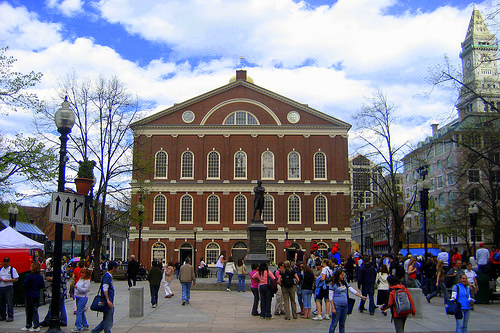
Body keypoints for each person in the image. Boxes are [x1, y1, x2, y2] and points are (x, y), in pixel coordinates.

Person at [329, 269, 366, 333]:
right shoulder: (333, 285)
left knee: (342, 324)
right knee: (334, 324)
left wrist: (361, 296)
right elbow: (330, 297)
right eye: (342, 275)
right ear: (338, 276)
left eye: (343, 275)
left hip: (345, 306)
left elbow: (351, 290)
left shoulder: (344, 283)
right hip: (337, 306)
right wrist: (333, 307)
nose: (343, 276)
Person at [40, 263, 70, 327]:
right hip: (62, 290)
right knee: (61, 306)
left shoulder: (60, 269)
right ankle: (63, 320)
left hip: (59, 290)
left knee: (52, 306)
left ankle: (47, 320)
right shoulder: (63, 268)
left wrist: (50, 278)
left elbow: (57, 277)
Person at [92, 261, 118, 333]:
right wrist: (108, 300)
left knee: (107, 319)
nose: (117, 269)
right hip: (107, 301)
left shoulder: (108, 276)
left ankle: (95, 331)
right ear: (113, 267)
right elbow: (105, 288)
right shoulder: (107, 276)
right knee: (108, 320)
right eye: (116, 267)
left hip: (109, 300)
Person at [22, 261, 44, 332]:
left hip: (29, 294)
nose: (30, 267)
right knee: (35, 311)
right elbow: (42, 286)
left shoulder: (29, 276)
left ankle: (29, 325)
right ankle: (36, 325)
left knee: (29, 311)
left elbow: (24, 285)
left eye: (31, 266)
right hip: (36, 295)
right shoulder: (40, 276)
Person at [72, 268, 91, 333]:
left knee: (79, 312)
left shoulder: (87, 281)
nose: (81, 274)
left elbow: (85, 290)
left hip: (83, 297)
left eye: (83, 273)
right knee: (81, 311)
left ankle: (78, 326)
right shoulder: (80, 279)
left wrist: (77, 288)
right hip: (78, 297)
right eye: (81, 273)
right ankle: (85, 324)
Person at [0, 257, 19, 322]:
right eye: (4, 261)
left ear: (9, 262)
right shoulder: (1, 269)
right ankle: (2, 315)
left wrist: (8, 280)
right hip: (1, 287)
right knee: (1, 302)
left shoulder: (12, 269)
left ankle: (10, 316)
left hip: (8, 287)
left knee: (9, 302)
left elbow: (16, 279)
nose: (5, 263)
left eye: (7, 261)